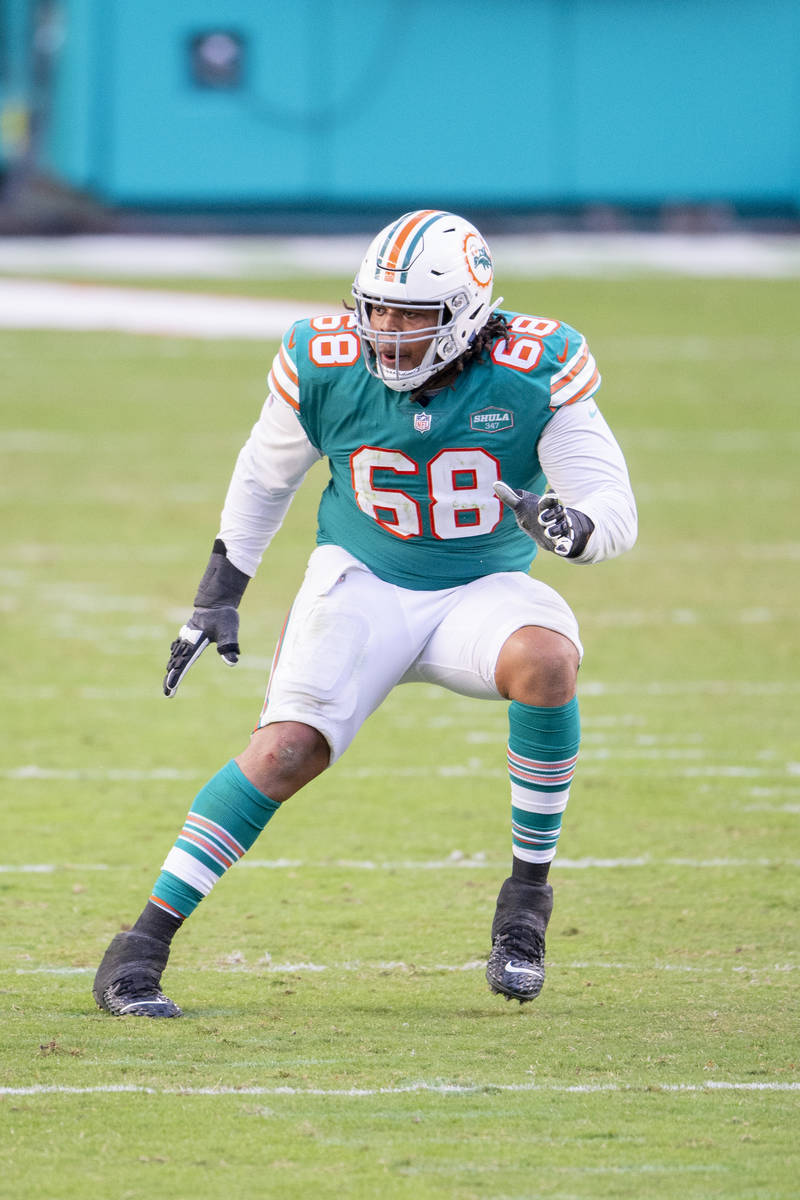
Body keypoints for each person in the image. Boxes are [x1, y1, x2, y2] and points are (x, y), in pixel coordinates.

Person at [92, 209, 637, 1017]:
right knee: (284, 751)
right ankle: (139, 949)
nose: (386, 332)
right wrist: (217, 596)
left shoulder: (534, 368)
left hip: (480, 587)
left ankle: (525, 906)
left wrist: (575, 529)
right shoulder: (325, 362)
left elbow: (611, 505)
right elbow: (265, 477)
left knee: (548, 659)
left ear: (466, 314)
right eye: (376, 309)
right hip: (362, 580)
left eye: (411, 316)